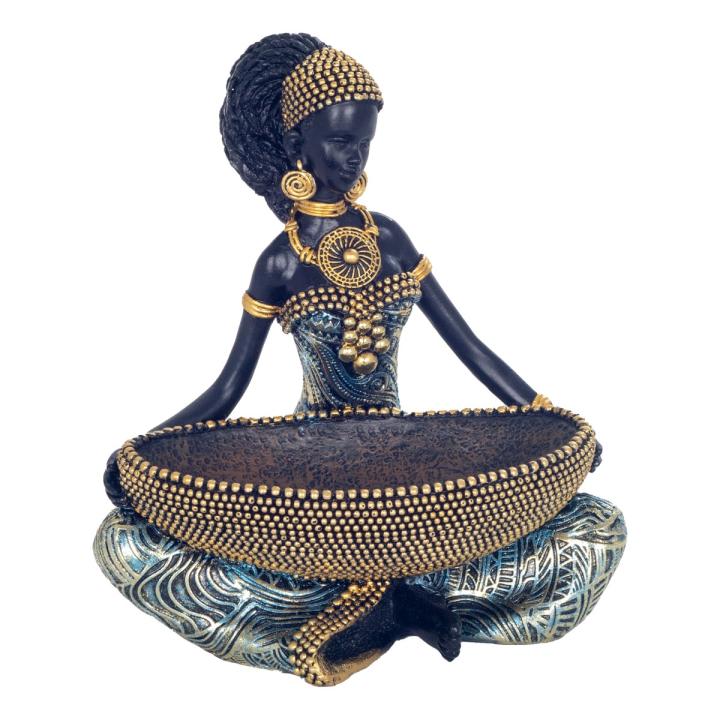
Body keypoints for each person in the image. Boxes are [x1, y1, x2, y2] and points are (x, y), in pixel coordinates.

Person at [96, 33, 625, 686]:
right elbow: (228, 389)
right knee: (124, 543)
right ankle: (390, 606)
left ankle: (385, 601)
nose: (354, 159)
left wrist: (549, 418)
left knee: (596, 528)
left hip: (408, 475)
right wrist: (140, 451)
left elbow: (469, 345)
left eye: (365, 144)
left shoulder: (390, 237)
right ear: (298, 143)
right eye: (341, 142)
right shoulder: (281, 261)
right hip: (306, 486)